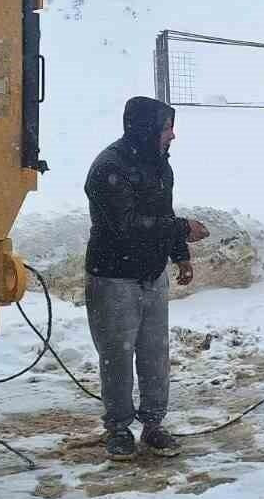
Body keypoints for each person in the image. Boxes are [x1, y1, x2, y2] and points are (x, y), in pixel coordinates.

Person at [84, 96, 209, 461]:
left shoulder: (160, 166)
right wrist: (183, 228)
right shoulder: (109, 167)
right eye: (168, 127)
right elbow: (125, 227)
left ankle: (153, 424)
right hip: (114, 277)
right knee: (117, 356)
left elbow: (161, 214)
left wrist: (180, 256)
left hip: (152, 275)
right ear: (147, 128)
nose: (173, 135)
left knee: (155, 353)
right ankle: (119, 428)